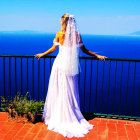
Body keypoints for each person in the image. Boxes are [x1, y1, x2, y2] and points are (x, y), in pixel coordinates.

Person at [34, 13, 107, 138]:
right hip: (70, 65)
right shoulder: (76, 35)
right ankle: (68, 115)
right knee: (69, 90)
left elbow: (52, 49)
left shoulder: (59, 34)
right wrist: (97, 55)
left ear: (63, 22)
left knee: (58, 89)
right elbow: (85, 50)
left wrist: (42, 54)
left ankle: (59, 114)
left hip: (59, 63)